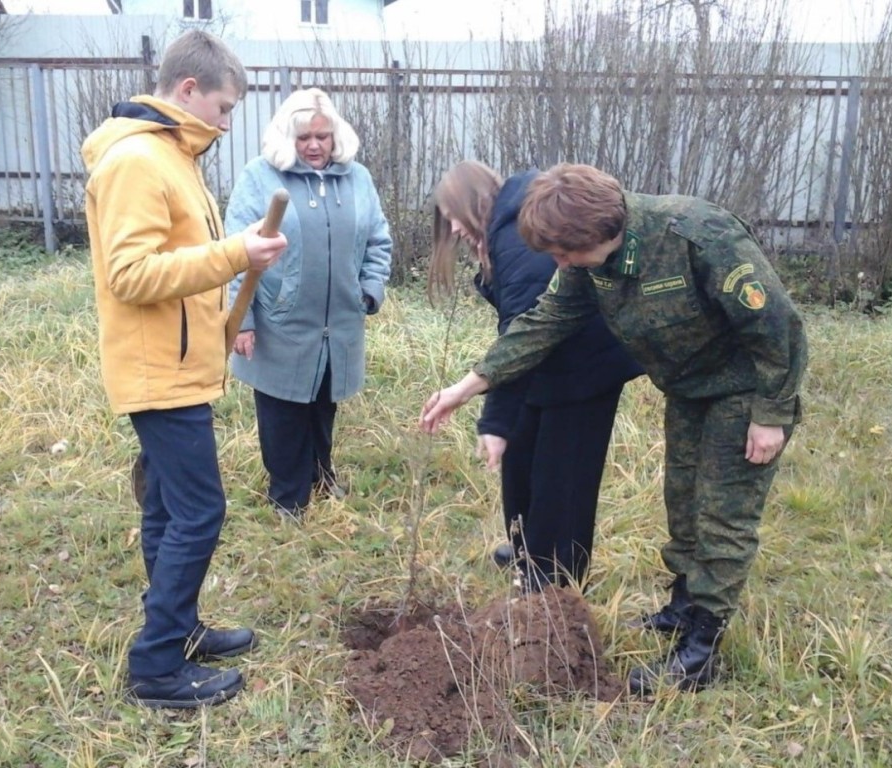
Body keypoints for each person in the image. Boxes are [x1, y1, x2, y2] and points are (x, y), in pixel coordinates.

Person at [420, 163, 808, 695]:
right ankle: (682, 608)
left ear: (597, 235)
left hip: (743, 388)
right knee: (684, 503)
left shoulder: (696, 235)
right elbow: (543, 321)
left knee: (722, 515)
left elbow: (777, 325)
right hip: (689, 387)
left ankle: (702, 651)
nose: (557, 264)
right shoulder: (586, 260)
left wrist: (771, 414)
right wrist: (470, 386)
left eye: (561, 255)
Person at [82, 29, 288, 708]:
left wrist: (232, 277)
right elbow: (131, 274)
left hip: (179, 365)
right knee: (200, 511)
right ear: (189, 90)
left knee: (171, 507)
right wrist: (236, 254)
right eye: (224, 109)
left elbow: (181, 264)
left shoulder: (175, 155)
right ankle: (157, 666)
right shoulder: (137, 161)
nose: (228, 124)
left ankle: (180, 628)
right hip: (156, 373)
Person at [428, 161, 643, 590]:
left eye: (453, 215)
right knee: (522, 463)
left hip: (584, 370)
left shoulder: (516, 241)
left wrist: (493, 420)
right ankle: (528, 549)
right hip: (542, 367)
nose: (451, 228)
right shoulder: (506, 229)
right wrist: (502, 421)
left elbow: (524, 331)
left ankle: (556, 577)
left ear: (475, 203)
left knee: (561, 479)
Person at [225, 87, 392, 519]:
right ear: (288, 138)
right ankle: (287, 496)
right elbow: (237, 249)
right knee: (282, 409)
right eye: (304, 138)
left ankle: (321, 476)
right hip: (281, 319)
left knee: (322, 402)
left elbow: (378, 240)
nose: (315, 146)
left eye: (322, 136)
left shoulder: (358, 179)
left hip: (339, 320)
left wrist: (369, 289)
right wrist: (241, 319)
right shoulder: (260, 177)